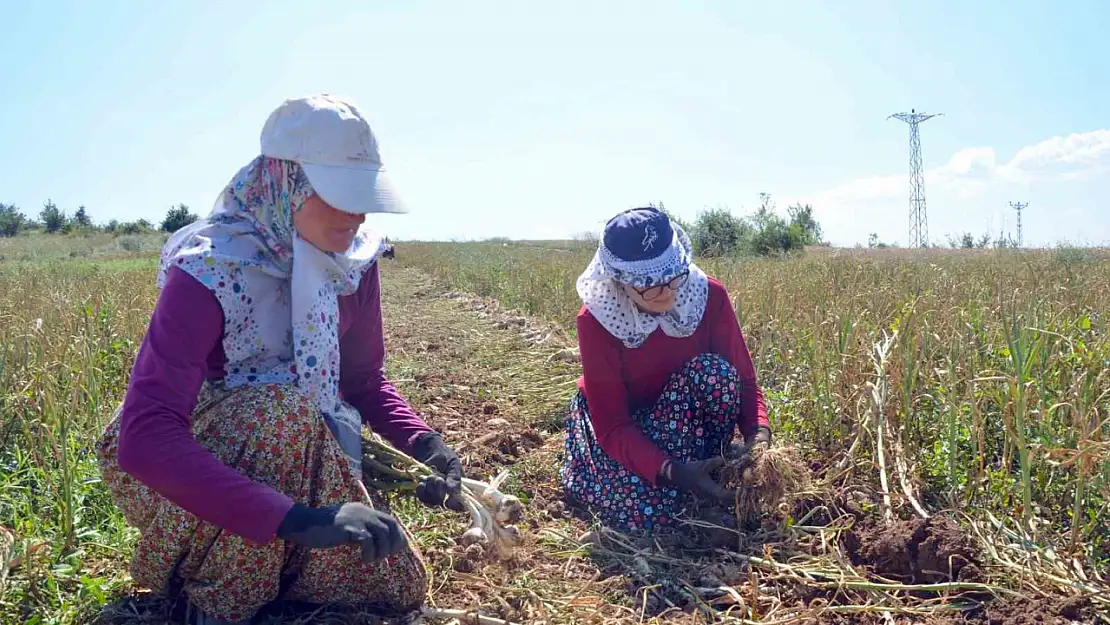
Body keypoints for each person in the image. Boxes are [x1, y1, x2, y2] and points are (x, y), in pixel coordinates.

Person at [96, 94, 464, 625]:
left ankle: (273, 560)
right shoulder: (212, 269)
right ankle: (215, 602)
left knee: (395, 587)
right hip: (194, 460)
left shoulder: (352, 263)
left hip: (301, 440)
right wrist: (298, 520)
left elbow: (362, 380)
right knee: (282, 414)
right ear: (285, 184)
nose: (357, 213)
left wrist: (426, 445)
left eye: (362, 196)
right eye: (339, 194)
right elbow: (147, 437)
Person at [560, 206, 772, 532]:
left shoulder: (707, 295)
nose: (669, 292)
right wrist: (673, 471)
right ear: (619, 281)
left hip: (684, 415)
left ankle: (709, 462)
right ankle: (681, 476)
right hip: (626, 426)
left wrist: (758, 436)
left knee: (717, 375)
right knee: (645, 513)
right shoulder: (596, 320)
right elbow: (613, 426)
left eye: (674, 278)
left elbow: (742, 379)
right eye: (651, 286)